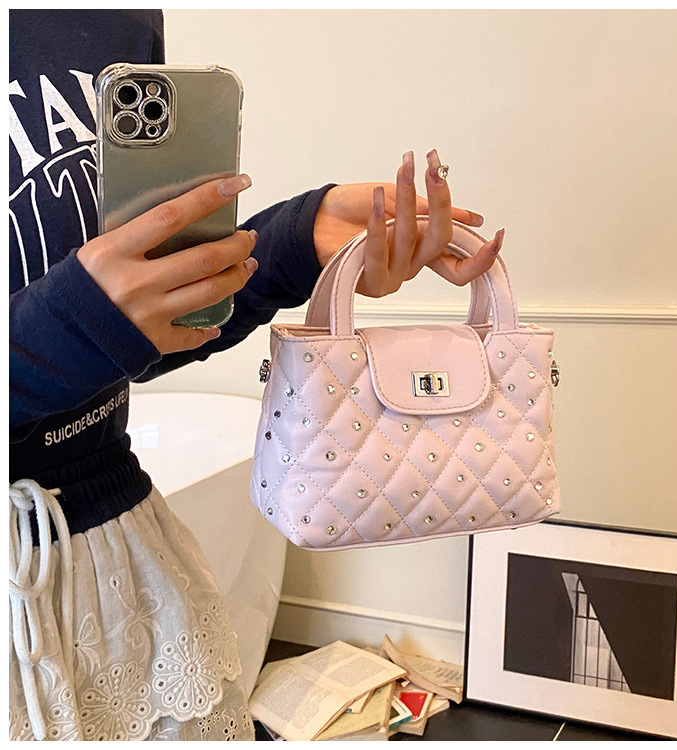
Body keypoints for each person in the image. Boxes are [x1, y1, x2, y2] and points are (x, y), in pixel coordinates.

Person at [9, 9, 504, 741]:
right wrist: (72, 325)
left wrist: (295, 244)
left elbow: (136, 331)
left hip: (116, 550)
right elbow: (80, 325)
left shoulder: (105, 19)